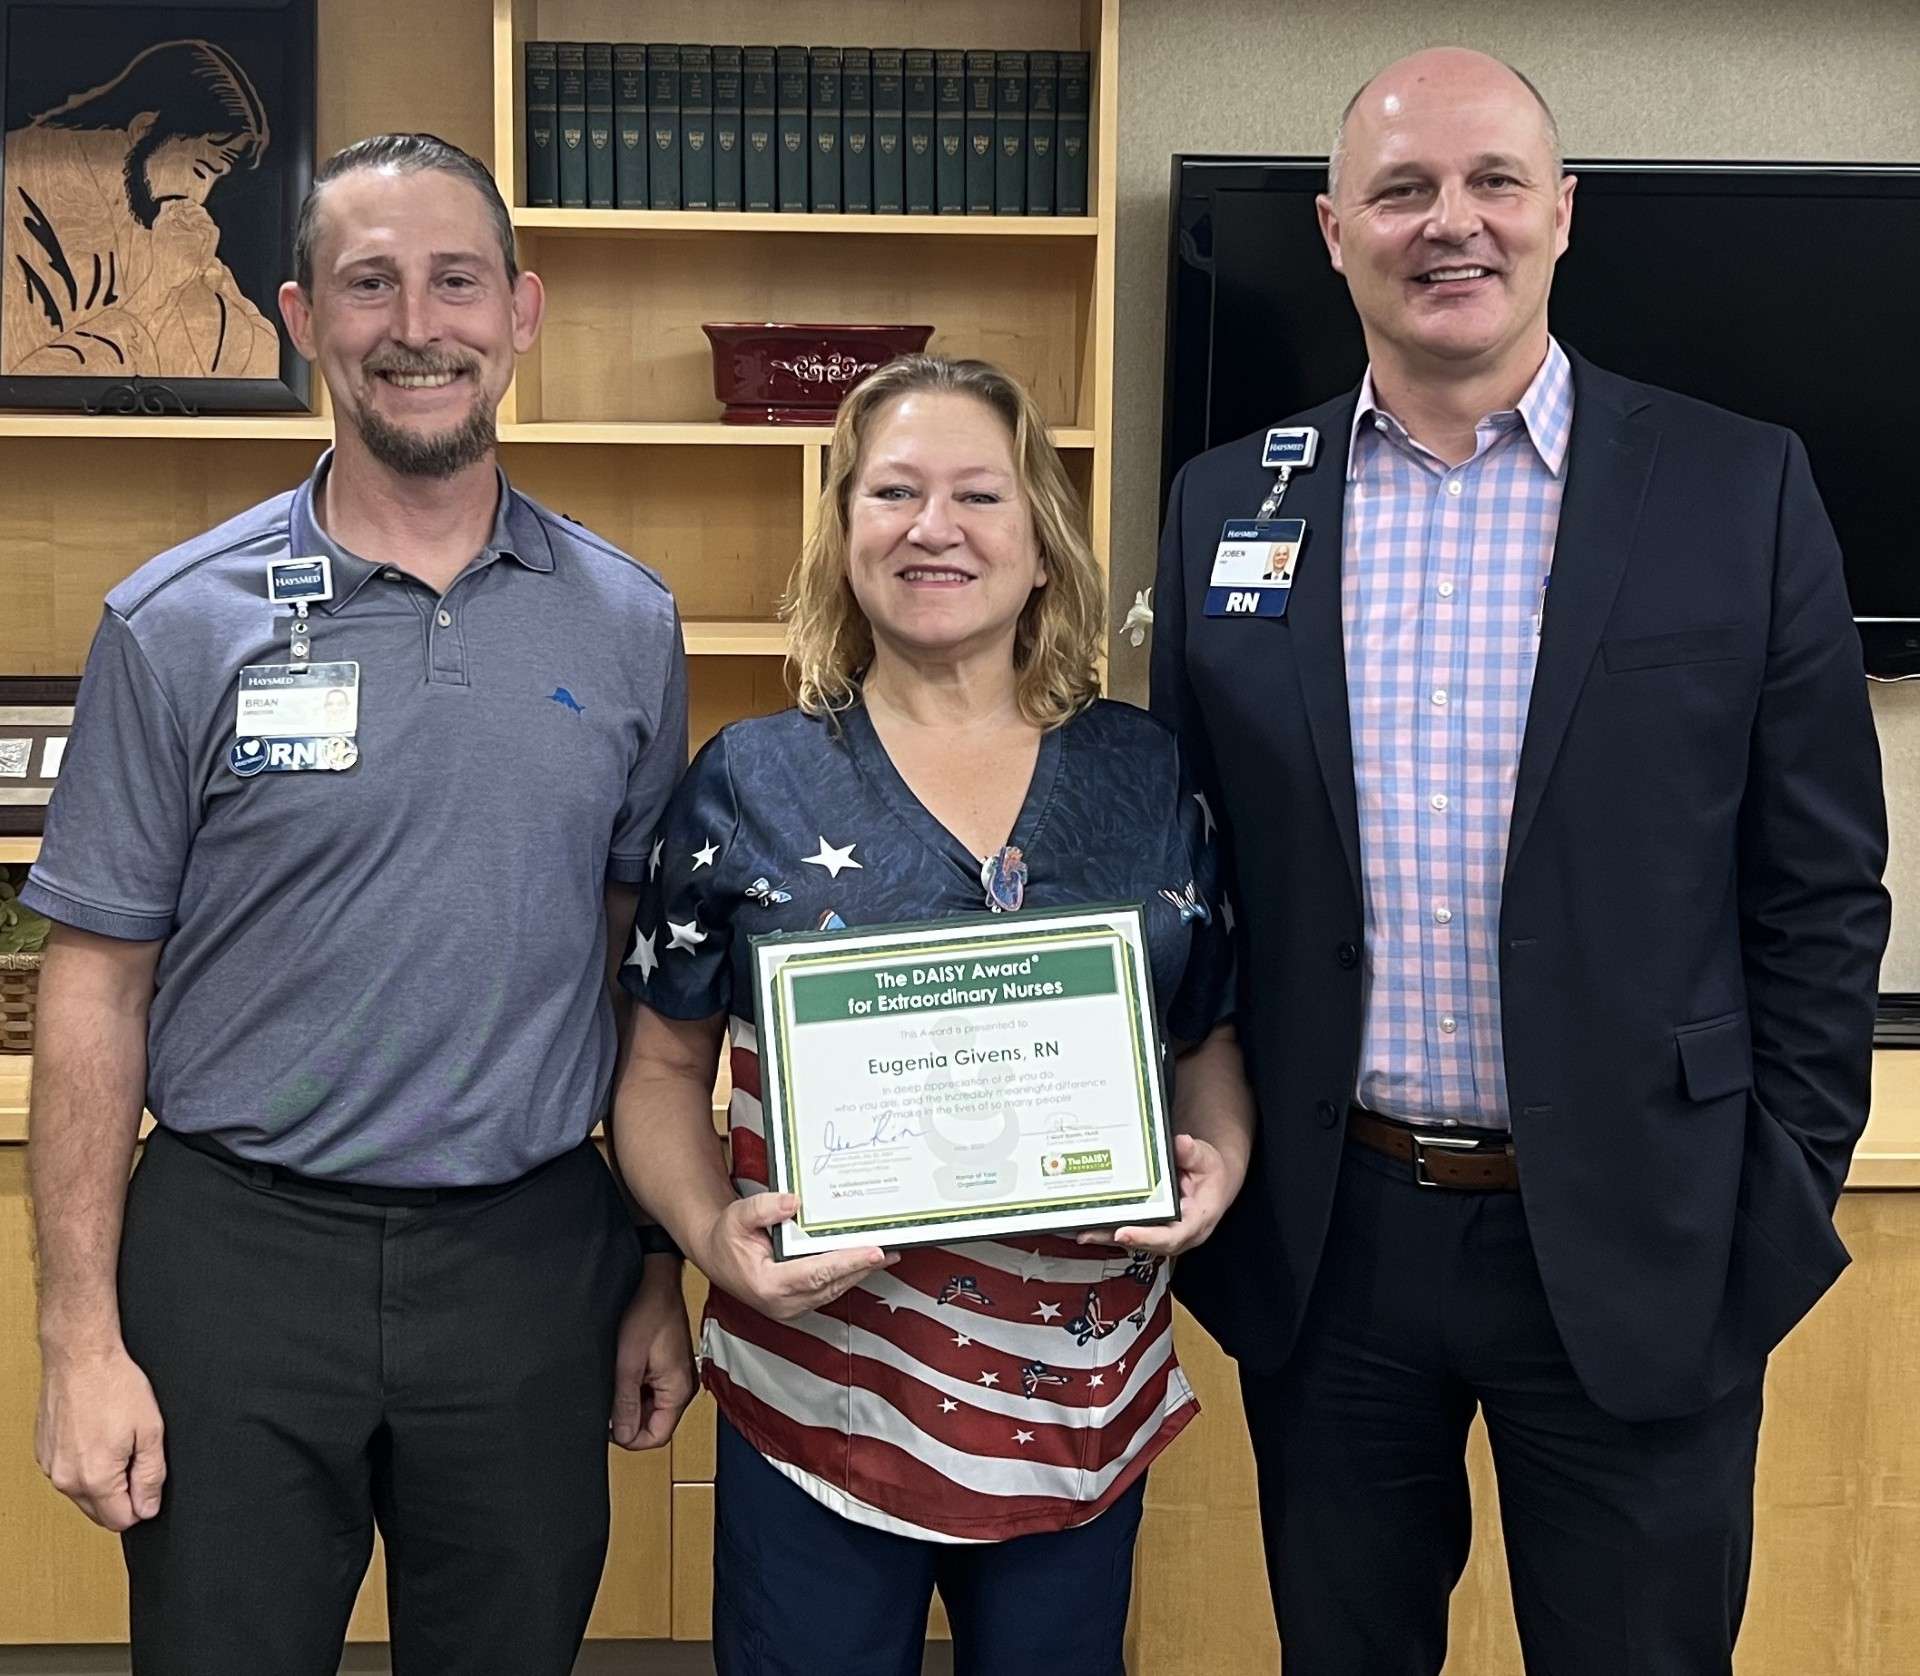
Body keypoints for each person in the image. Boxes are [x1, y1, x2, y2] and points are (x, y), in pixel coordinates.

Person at [1151, 47, 1890, 1676]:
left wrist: (1778, 1198)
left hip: (1646, 1237)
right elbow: (1190, 870)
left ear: (1565, 215)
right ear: (1336, 232)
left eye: (1493, 182)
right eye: (1403, 190)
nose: (1451, 223)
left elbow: (1823, 889)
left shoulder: (1735, 488)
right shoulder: (1225, 506)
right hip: (1334, 1242)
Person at [24, 133, 695, 1676]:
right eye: (368, 284)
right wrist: (77, 1339)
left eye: (456, 281)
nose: (417, 325)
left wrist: (657, 1269)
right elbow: (95, 979)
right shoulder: (175, 622)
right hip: (237, 1264)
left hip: (530, 1262)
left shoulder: (627, 621)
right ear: (296, 318)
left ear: (522, 312)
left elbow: (642, 982)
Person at [612, 353, 1252, 1676]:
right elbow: (661, 1068)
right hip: (821, 1395)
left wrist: (1219, 1164)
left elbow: (1211, 1046)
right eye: (893, 492)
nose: (933, 527)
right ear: (844, 537)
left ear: (1042, 545)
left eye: (978, 494)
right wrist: (701, 1239)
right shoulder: (752, 781)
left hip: (1074, 1405)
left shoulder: (1145, 773)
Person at [3, 39, 281, 378]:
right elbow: (32, 374)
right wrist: (161, 285)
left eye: (214, 178)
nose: (200, 194)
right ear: (144, 129)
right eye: (199, 170)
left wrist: (196, 281)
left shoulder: (148, 206)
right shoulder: (28, 191)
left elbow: (255, 354)